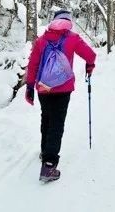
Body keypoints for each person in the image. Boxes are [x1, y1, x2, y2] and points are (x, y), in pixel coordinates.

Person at [25, 10, 96, 183]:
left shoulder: (41, 41)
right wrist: (90, 66)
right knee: (57, 123)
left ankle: (45, 152)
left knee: (46, 119)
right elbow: (91, 55)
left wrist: (29, 87)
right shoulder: (73, 38)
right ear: (69, 22)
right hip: (63, 89)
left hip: (43, 88)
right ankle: (49, 165)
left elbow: (32, 65)